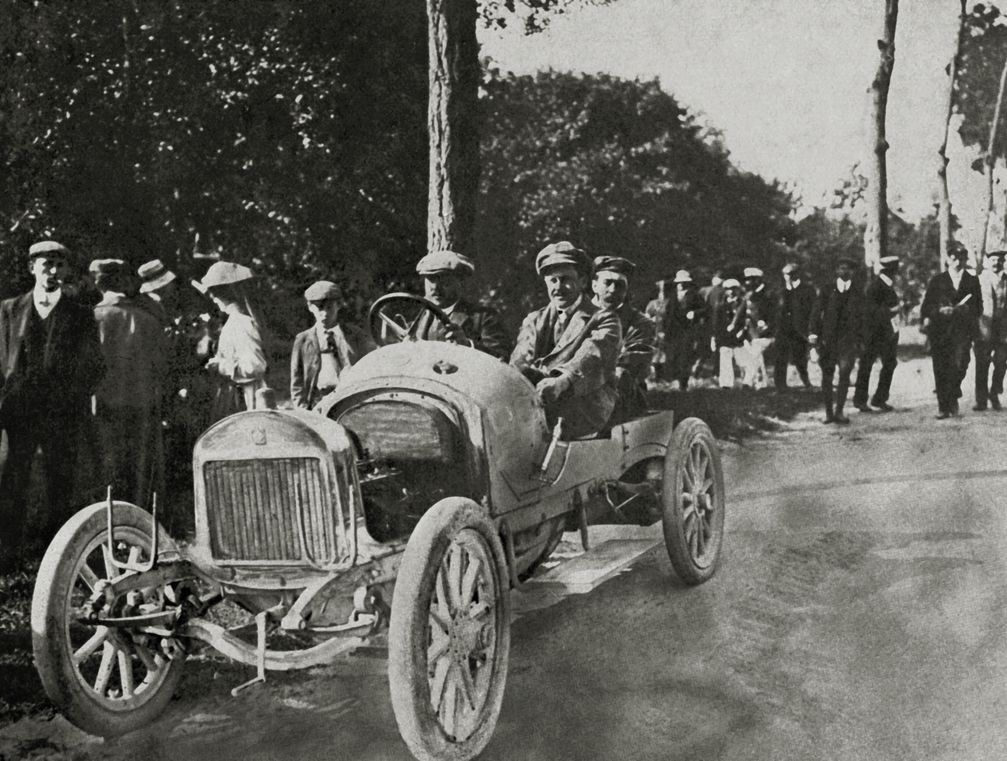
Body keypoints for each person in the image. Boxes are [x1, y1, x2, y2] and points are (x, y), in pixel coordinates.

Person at [0, 241, 104, 565]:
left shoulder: (80, 314)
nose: (53, 272)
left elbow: (96, 365)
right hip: (20, 411)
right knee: (13, 477)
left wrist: (73, 396)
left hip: (62, 412)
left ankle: (55, 553)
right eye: (47, 265)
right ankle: (8, 550)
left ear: (67, 270)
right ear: (32, 268)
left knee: (61, 480)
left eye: (60, 265)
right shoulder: (9, 309)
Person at [510, 241, 621, 438]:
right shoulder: (535, 319)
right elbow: (521, 358)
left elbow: (593, 355)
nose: (558, 288)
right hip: (536, 403)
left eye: (566, 279)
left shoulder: (604, 318)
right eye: (552, 281)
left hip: (585, 406)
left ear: (584, 282)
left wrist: (563, 381)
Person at [92, 259, 167, 508]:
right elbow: (161, 365)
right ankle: (140, 521)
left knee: (107, 464)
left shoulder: (95, 318)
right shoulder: (149, 319)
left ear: (98, 283)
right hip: (143, 402)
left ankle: (109, 519)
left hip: (104, 405)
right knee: (140, 465)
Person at [198, 261, 268, 421]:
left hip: (246, 397)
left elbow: (255, 366)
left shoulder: (241, 323)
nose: (213, 297)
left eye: (215, 292)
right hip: (234, 394)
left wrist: (221, 366)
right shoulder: (233, 322)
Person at [410, 250, 510, 359]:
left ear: (460, 282)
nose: (435, 288)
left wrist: (468, 345)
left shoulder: (484, 317)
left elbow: (501, 359)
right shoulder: (418, 318)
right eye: (430, 280)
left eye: (444, 281)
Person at [290, 280, 375, 409]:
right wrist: (302, 408)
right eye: (319, 308)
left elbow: (368, 367)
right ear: (310, 307)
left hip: (350, 400)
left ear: (339, 305)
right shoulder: (303, 340)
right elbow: (297, 380)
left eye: (329, 307)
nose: (324, 314)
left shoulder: (355, 335)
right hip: (316, 402)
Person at [921, 243, 982, 419]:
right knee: (940, 367)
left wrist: (964, 310)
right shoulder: (937, 280)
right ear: (948, 260)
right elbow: (927, 306)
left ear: (965, 260)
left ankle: (953, 393)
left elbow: (978, 307)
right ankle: (943, 406)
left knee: (961, 362)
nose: (957, 261)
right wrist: (939, 311)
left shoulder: (972, 280)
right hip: (940, 331)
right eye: (953, 258)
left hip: (962, 331)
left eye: (961, 258)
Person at [591, 255, 655, 420]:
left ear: (626, 291)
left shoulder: (639, 323)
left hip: (623, 397)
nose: (612, 290)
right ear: (594, 285)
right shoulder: (576, 316)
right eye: (607, 283)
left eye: (619, 285)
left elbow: (631, 365)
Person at [809, 257, 866, 424]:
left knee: (844, 373)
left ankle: (839, 410)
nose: (845, 271)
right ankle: (828, 413)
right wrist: (813, 334)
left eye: (848, 269)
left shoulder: (857, 291)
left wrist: (862, 340)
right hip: (828, 340)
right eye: (841, 268)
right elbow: (816, 312)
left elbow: (863, 317)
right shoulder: (827, 290)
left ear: (853, 272)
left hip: (848, 341)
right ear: (836, 271)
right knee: (827, 376)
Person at [853, 256, 902, 413]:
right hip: (873, 334)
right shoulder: (875, 287)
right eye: (894, 272)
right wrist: (892, 311)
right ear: (890, 272)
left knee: (889, 363)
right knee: (866, 365)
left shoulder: (887, 286)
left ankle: (879, 399)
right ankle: (860, 400)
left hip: (887, 333)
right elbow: (870, 311)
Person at [655, 270, 707, 389]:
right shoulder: (673, 296)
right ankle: (674, 381)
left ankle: (683, 382)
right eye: (679, 282)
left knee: (685, 357)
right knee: (672, 356)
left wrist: (694, 313)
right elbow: (666, 315)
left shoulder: (695, 295)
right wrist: (663, 330)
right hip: (673, 331)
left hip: (688, 330)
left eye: (683, 282)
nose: (680, 285)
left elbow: (705, 310)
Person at [974, 250, 1007, 411]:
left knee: (1001, 363)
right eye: (993, 260)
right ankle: (981, 400)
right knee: (982, 364)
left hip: (1003, 329)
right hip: (984, 327)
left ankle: (994, 393)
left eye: (999, 260)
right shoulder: (980, 279)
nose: (996, 263)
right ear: (988, 261)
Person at [774, 263, 816, 389]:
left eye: (791, 274)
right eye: (786, 274)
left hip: (799, 330)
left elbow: (813, 311)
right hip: (783, 330)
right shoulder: (780, 291)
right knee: (781, 358)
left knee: (800, 358)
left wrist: (810, 330)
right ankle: (780, 386)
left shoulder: (807, 290)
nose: (788, 277)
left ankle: (806, 381)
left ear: (797, 274)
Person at [711, 278, 748, 388]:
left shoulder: (743, 303)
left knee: (743, 361)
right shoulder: (720, 305)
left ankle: (748, 382)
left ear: (738, 290)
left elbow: (746, 319)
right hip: (725, 337)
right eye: (728, 289)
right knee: (725, 359)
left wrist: (742, 331)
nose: (731, 292)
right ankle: (726, 384)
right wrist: (715, 337)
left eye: (733, 289)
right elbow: (716, 323)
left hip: (740, 336)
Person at [741, 267, 774, 389]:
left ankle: (747, 381)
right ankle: (762, 382)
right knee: (757, 357)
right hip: (751, 332)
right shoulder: (749, 294)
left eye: (749, 280)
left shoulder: (769, 294)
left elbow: (775, 313)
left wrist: (767, 325)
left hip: (765, 332)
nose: (747, 283)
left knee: (755, 355)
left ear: (757, 280)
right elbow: (743, 312)